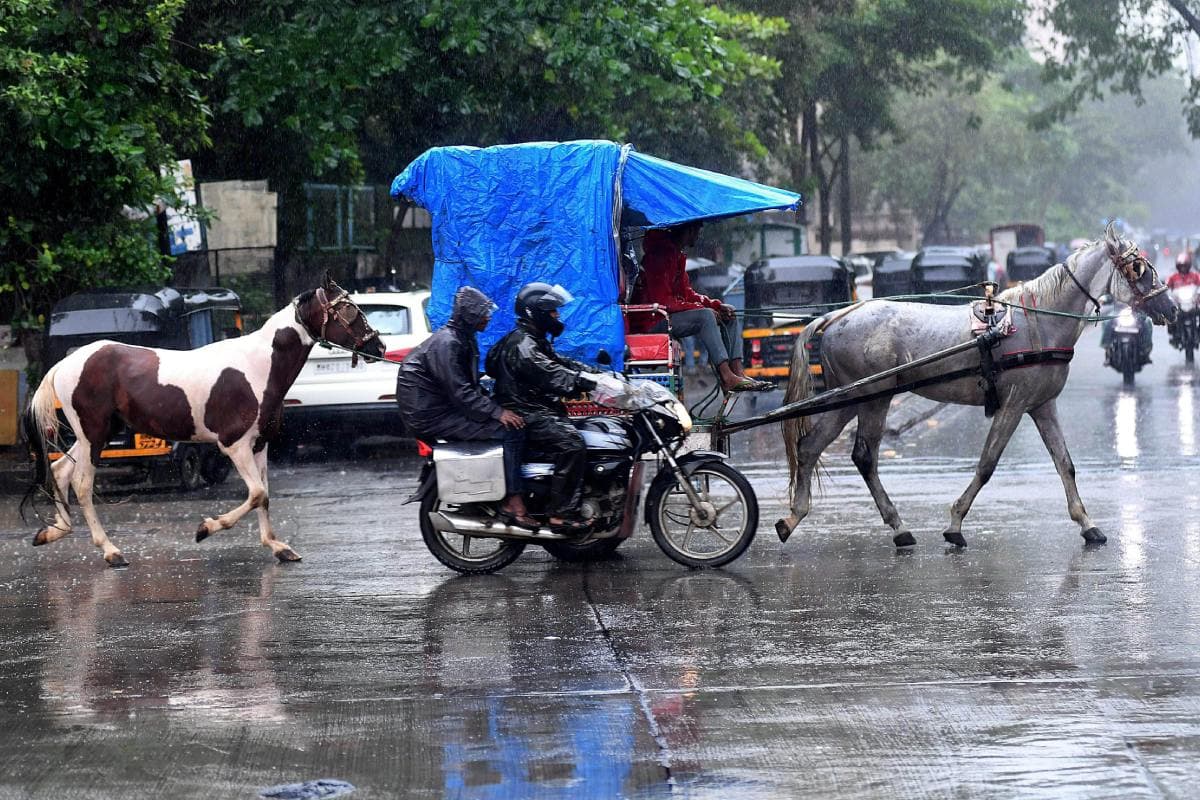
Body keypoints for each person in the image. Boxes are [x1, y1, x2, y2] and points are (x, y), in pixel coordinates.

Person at [395, 286, 533, 525]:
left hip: (442, 408)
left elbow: (468, 385)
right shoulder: (448, 343)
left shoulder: (461, 337)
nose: (487, 317)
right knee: (511, 431)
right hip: (433, 416)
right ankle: (513, 500)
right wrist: (498, 412)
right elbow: (461, 392)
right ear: (469, 315)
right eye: (483, 313)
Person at [486, 282, 599, 530]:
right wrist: (585, 382)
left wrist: (596, 374)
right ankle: (561, 513)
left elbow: (560, 362)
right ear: (535, 313)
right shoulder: (523, 346)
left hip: (534, 407)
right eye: (552, 311)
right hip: (525, 412)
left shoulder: (532, 339)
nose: (557, 316)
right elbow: (552, 374)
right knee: (572, 443)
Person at [630, 222, 767, 392]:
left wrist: (716, 305)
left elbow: (687, 293)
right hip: (652, 321)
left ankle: (737, 371)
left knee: (729, 313)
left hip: (665, 316)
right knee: (705, 316)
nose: (698, 235)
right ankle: (726, 377)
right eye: (697, 230)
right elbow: (665, 301)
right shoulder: (660, 255)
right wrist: (702, 309)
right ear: (688, 230)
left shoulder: (676, 254)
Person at [1168, 251, 1200, 346]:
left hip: (1193, 303)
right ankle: (1173, 335)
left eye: (1185, 266)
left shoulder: (1195, 276)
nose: (1183, 268)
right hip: (1179, 304)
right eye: (1181, 266)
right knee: (1169, 314)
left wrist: (1197, 295)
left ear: (1189, 266)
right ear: (1178, 266)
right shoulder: (1173, 277)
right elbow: (1166, 286)